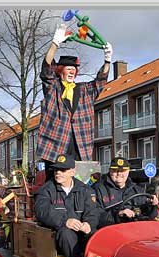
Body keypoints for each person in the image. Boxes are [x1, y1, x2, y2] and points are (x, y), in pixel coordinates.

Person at [36, 26, 112, 168]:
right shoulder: (53, 87)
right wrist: (55, 44)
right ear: (60, 71)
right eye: (68, 69)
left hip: (80, 144)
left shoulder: (84, 90)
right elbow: (47, 68)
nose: (72, 72)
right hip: (55, 146)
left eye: (74, 70)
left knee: (79, 182)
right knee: (56, 180)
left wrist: (107, 60)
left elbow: (100, 81)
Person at [35, 154, 99, 257]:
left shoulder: (85, 190)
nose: (58, 173)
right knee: (66, 234)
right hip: (55, 237)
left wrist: (88, 224)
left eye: (63, 170)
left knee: (97, 236)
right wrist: (65, 221)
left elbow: (93, 211)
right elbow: (42, 211)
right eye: (56, 169)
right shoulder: (46, 190)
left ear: (72, 172)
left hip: (81, 232)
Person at [93, 157, 153, 227]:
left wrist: (152, 205)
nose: (119, 173)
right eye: (115, 170)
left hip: (135, 231)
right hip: (111, 232)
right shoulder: (98, 190)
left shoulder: (137, 190)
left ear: (128, 171)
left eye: (123, 170)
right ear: (110, 171)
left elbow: (148, 216)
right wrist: (118, 214)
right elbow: (95, 216)